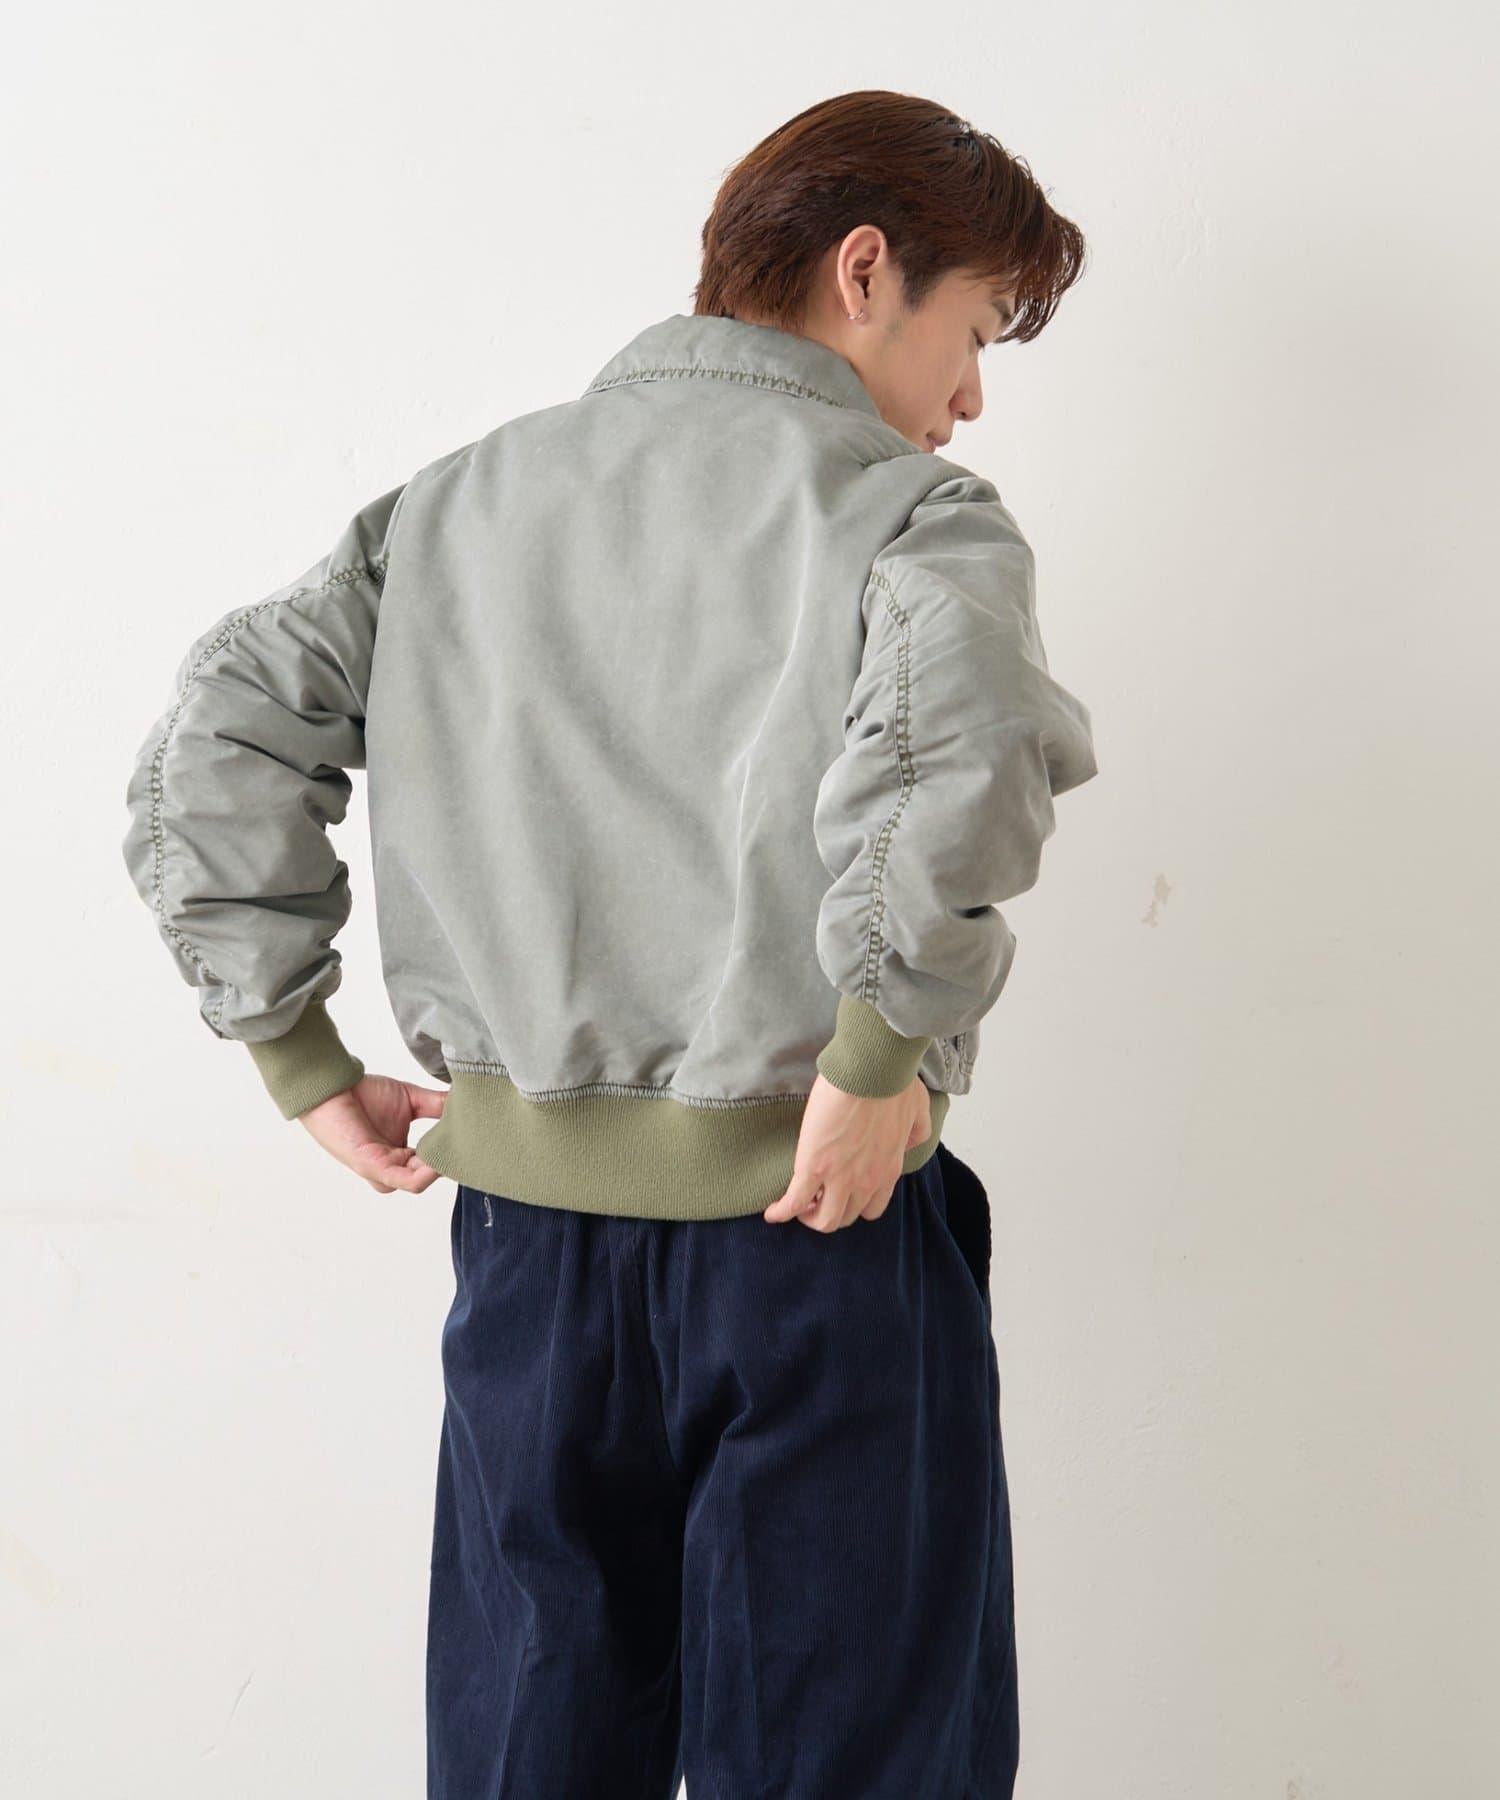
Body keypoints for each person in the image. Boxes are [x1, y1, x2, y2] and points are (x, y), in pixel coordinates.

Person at [121, 88, 1097, 1800]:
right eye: (977, 326)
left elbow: (221, 734)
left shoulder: (455, 506)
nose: (970, 395)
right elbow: (962, 758)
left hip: (530, 1264)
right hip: (820, 1220)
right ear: (866, 270)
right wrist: (877, 1054)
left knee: (533, 1755)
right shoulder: (912, 518)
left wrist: (296, 1054)